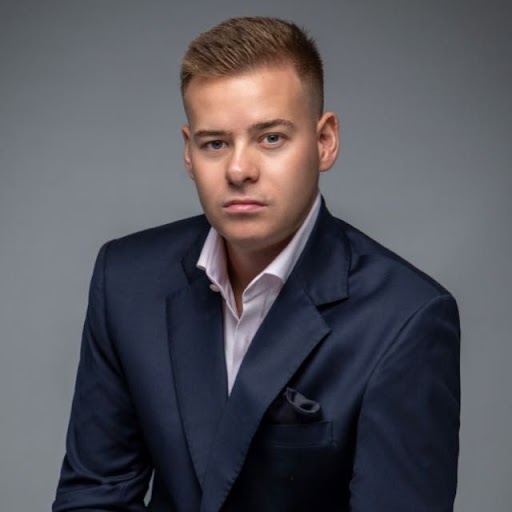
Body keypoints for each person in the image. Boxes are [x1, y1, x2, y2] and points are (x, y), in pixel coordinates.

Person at [53, 16, 460, 512]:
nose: (239, 170)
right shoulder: (127, 280)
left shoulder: (406, 317)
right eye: (215, 143)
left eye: (270, 138)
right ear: (188, 152)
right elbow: (93, 496)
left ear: (325, 141)